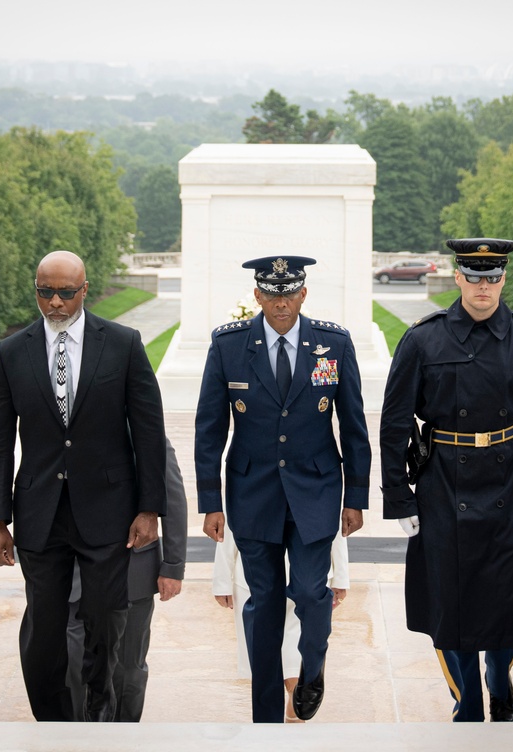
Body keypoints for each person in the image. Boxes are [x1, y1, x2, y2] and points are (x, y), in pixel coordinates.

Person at [379, 237, 513, 722]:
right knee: (451, 595)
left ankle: (498, 680)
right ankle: (467, 695)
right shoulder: (424, 339)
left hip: (510, 479)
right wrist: (399, 499)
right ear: (458, 277)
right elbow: (394, 424)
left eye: (493, 277)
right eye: (474, 276)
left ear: (504, 279)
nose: (483, 286)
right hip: (444, 480)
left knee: (505, 594)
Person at [0, 250, 167, 722]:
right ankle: (54, 724)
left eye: (66, 292)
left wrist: (150, 509)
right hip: (40, 513)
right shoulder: (11, 352)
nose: (57, 303)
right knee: (44, 633)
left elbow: (147, 429)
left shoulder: (123, 344)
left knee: (105, 623)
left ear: (85, 288)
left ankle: (100, 718)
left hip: (108, 511)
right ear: (36, 291)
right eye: (47, 292)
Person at [194, 254, 371, 723]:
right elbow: (209, 429)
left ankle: (313, 668)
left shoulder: (332, 344)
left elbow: (353, 425)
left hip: (315, 490)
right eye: (271, 293)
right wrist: (210, 502)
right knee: (264, 603)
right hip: (253, 494)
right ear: (257, 295)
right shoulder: (230, 346)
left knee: (313, 595)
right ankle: (265, 716)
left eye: (289, 292)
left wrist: (356, 497)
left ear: (304, 294)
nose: (280, 302)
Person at [66, 436, 187, 722]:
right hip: (74, 572)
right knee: (72, 660)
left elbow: (172, 494)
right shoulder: (65, 430)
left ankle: (122, 735)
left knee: (128, 667)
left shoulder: (144, 431)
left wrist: (173, 564)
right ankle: (76, 735)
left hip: (133, 572)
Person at [212, 520, 349, 722]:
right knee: (264, 652)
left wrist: (341, 576)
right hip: (254, 576)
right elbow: (233, 518)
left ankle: (296, 705)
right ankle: (283, 715)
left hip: (307, 574)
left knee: (295, 653)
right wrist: (221, 580)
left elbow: (330, 516)